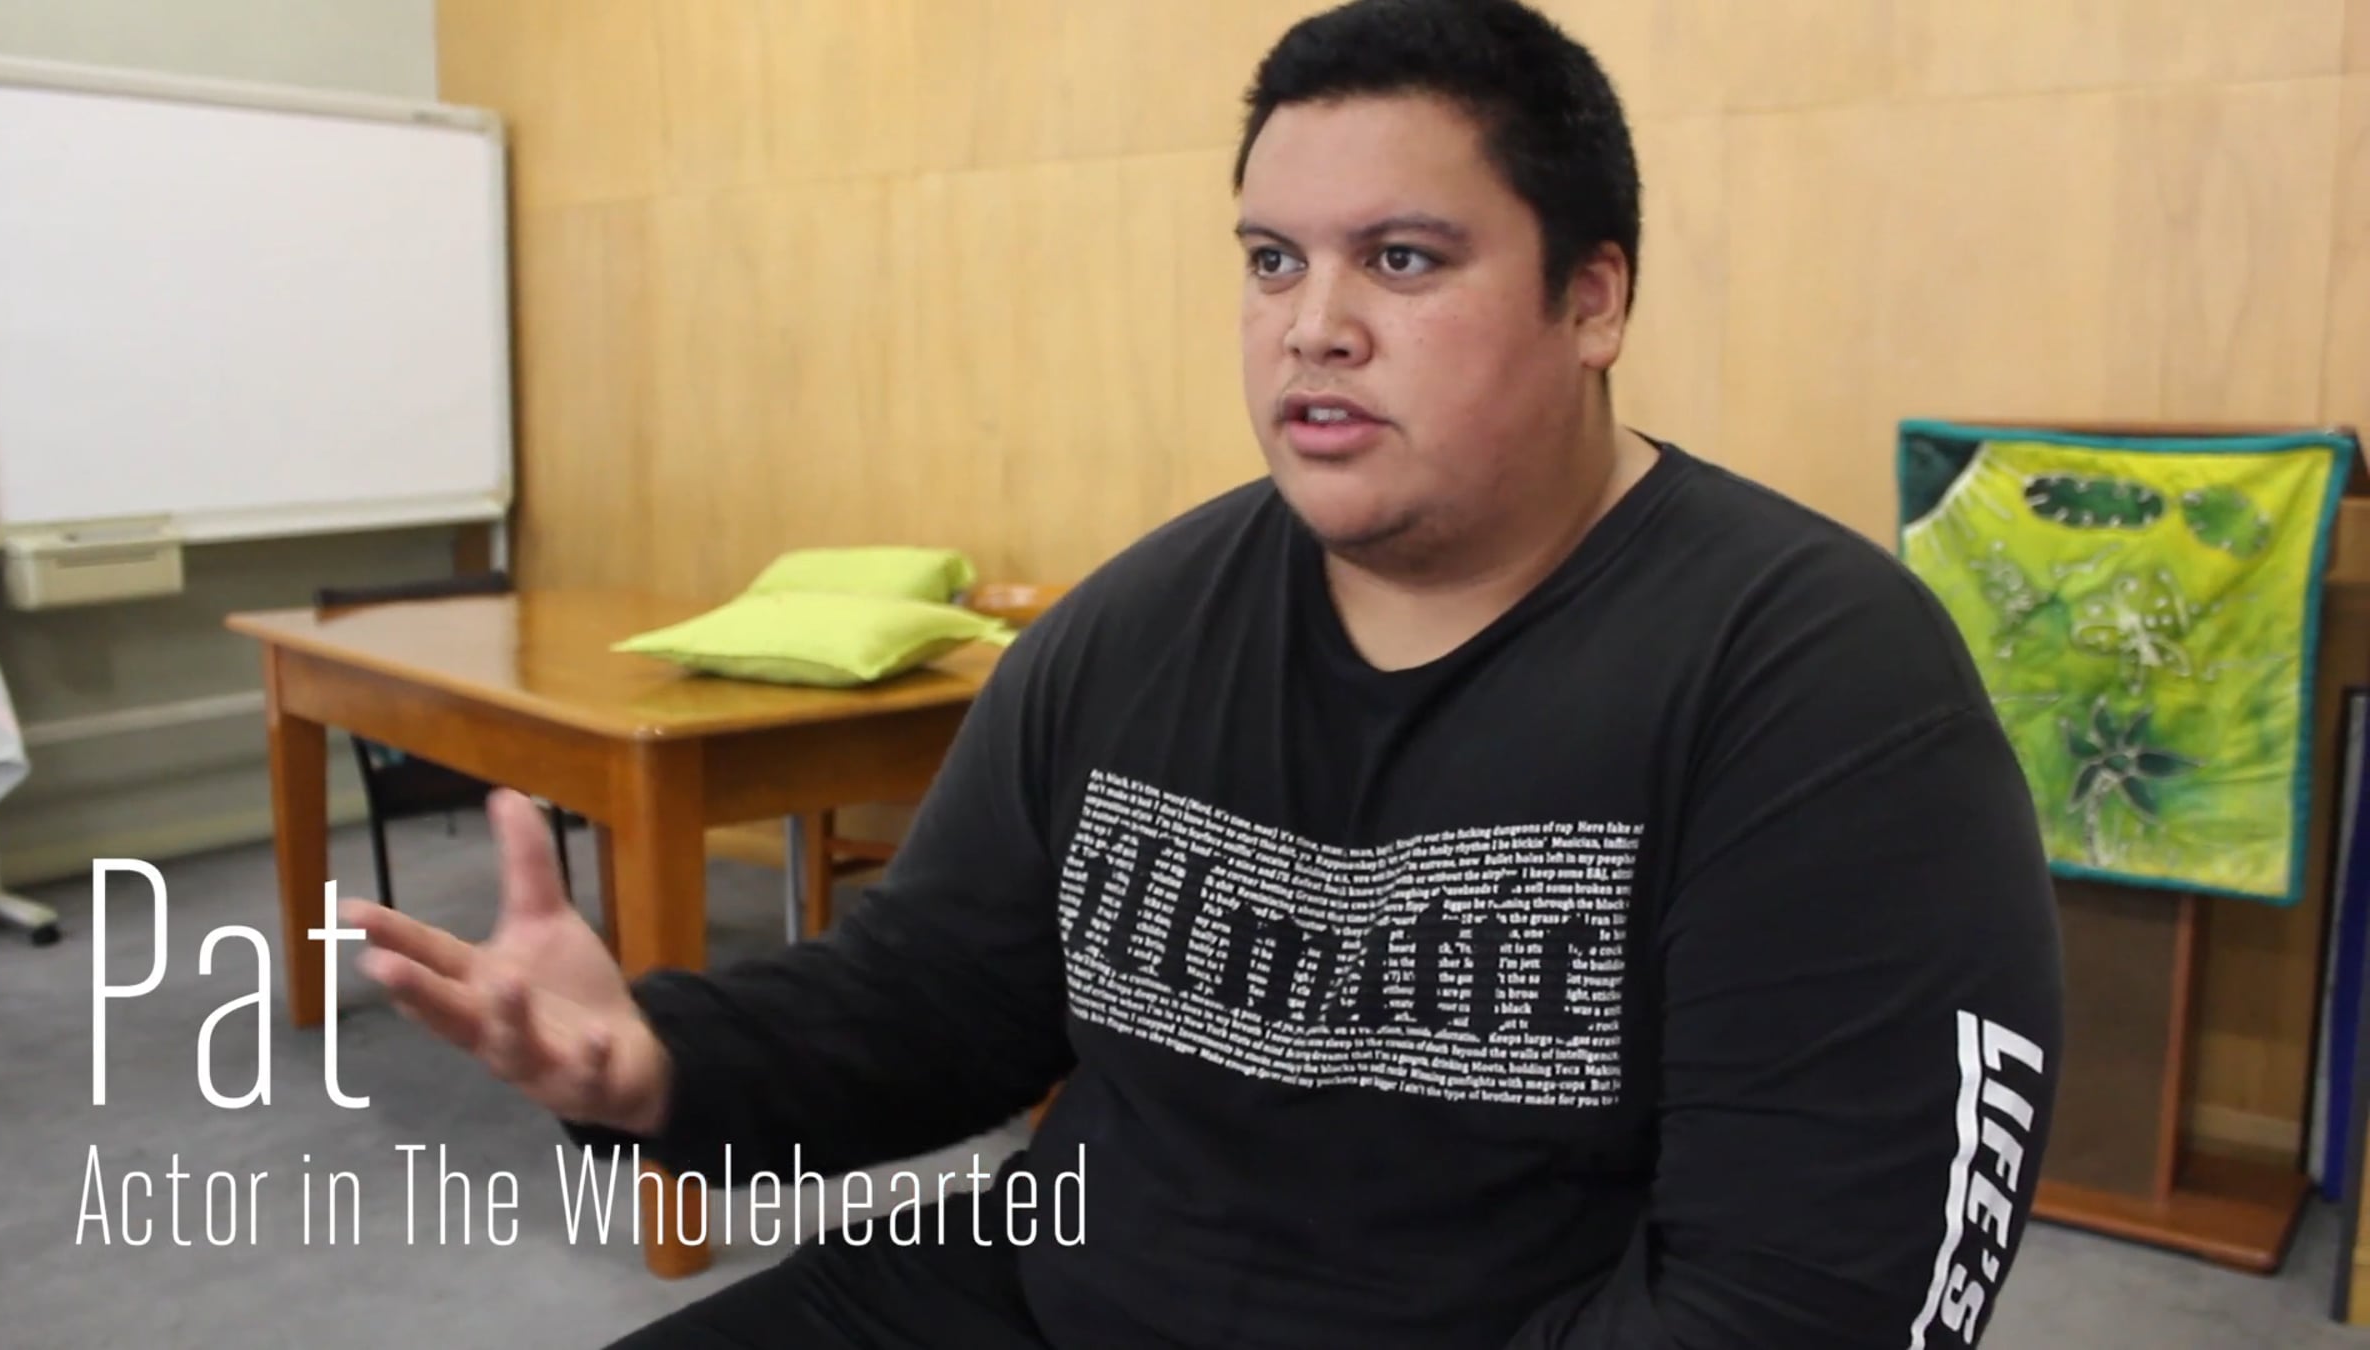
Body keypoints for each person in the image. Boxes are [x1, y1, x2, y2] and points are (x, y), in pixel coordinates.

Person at [344, 0, 2065, 1345]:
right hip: (1056, 1294)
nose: (1313, 323)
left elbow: (1806, 1296)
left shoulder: (1819, 686)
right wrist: (652, 1059)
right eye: (1271, 260)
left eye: (1403, 258)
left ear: (1594, 297)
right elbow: (933, 1002)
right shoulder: (1137, 626)